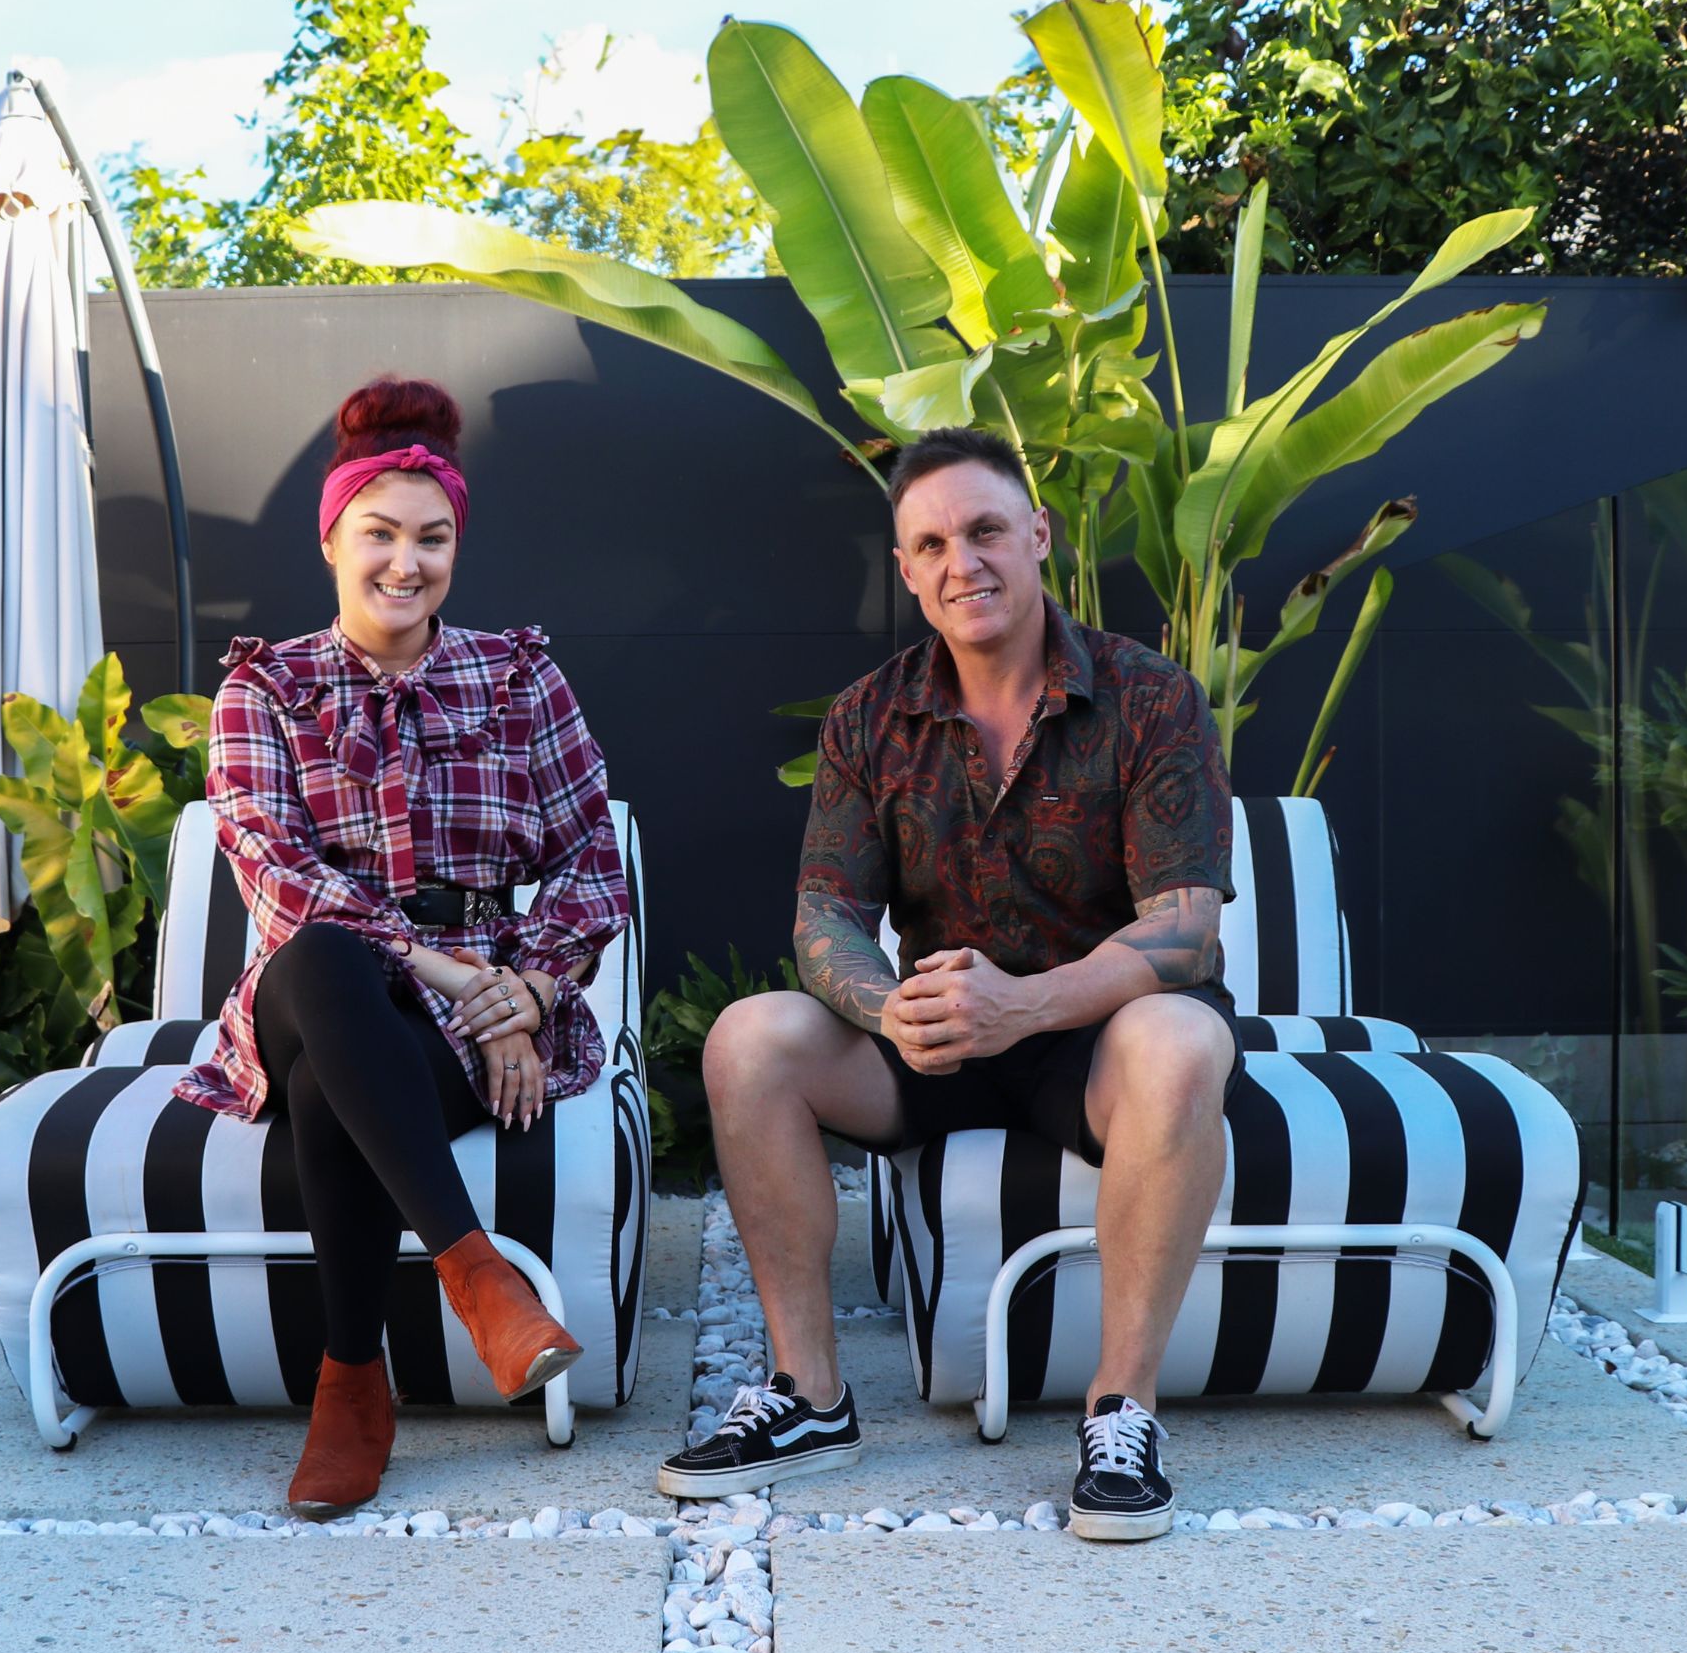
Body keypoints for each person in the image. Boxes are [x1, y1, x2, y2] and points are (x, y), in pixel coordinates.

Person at [656, 426, 1240, 1541]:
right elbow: (824, 912)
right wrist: (890, 1010)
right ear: (907, 566)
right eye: (928, 544)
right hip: (933, 1041)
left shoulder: (1150, 696)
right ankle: (809, 1395)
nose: (959, 562)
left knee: (1178, 1039)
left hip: (1098, 1038)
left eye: (982, 530)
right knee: (749, 1038)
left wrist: (1026, 1002)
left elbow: (1184, 930)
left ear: (1037, 535)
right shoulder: (867, 716)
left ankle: (1121, 1414)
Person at [172, 375, 630, 1518]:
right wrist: (449, 972)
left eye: (432, 538)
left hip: (470, 1016)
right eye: (378, 534)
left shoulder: (520, 677)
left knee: (341, 1084)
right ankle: (477, 1277)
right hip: (317, 985)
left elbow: (591, 860)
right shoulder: (264, 687)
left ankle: (350, 1388)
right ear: (332, 537)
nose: (406, 562)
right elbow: (273, 869)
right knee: (328, 968)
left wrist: (525, 989)